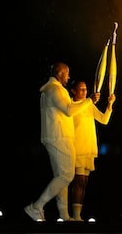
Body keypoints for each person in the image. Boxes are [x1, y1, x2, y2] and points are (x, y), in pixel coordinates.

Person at [25, 62, 100, 222]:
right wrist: (88, 101)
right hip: (59, 137)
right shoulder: (55, 89)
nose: (69, 77)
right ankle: (37, 207)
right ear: (60, 73)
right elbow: (68, 110)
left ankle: (64, 215)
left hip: (56, 137)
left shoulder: (51, 90)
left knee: (61, 176)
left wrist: (88, 103)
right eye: (67, 74)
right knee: (66, 175)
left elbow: (69, 108)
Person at [68, 80, 116, 221]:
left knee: (83, 183)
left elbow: (104, 119)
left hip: (89, 147)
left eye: (85, 89)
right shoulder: (70, 106)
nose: (84, 91)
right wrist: (89, 100)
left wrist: (110, 104)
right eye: (81, 89)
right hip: (76, 148)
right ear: (73, 91)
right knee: (78, 181)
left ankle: (78, 215)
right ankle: (73, 215)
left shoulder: (89, 105)